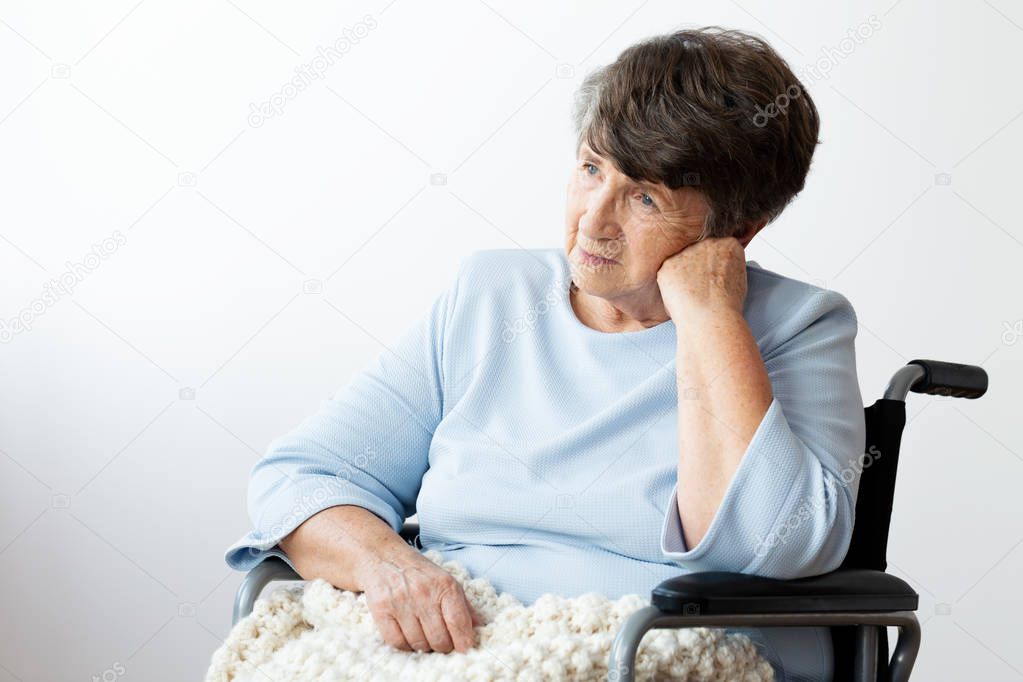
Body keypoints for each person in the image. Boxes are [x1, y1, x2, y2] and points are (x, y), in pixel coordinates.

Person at [224, 26, 867, 681]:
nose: (592, 221)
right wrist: (384, 563)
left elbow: (776, 546)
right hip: (456, 647)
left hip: (661, 650)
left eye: (643, 197)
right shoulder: (488, 296)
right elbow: (301, 478)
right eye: (591, 169)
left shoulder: (797, 326)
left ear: (736, 229)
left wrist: (708, 317)